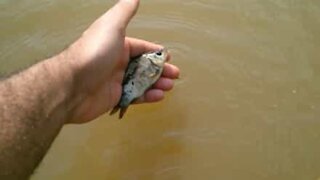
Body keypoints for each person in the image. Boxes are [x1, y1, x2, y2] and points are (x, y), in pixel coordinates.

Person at [0, 0, 180, 178]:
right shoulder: (148, 63)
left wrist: (74, 83)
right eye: (158, 54)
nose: (161, 54)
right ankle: (122, 102)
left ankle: (122, 102)